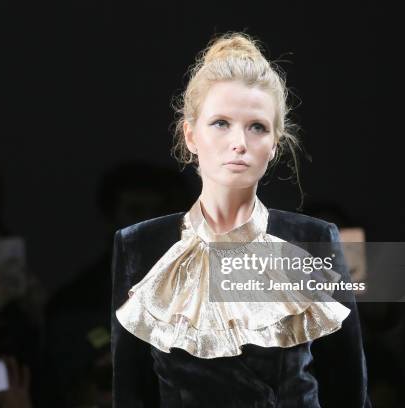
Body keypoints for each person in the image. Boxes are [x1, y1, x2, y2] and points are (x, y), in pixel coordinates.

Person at [110, 32, 370, 407]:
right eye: (220, 123)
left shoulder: (312, 240)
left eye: (257, 127)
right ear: (190, 135)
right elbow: (131, 393)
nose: (239, 142)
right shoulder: (140, 245)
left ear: (275, 145)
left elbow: (350, 392)